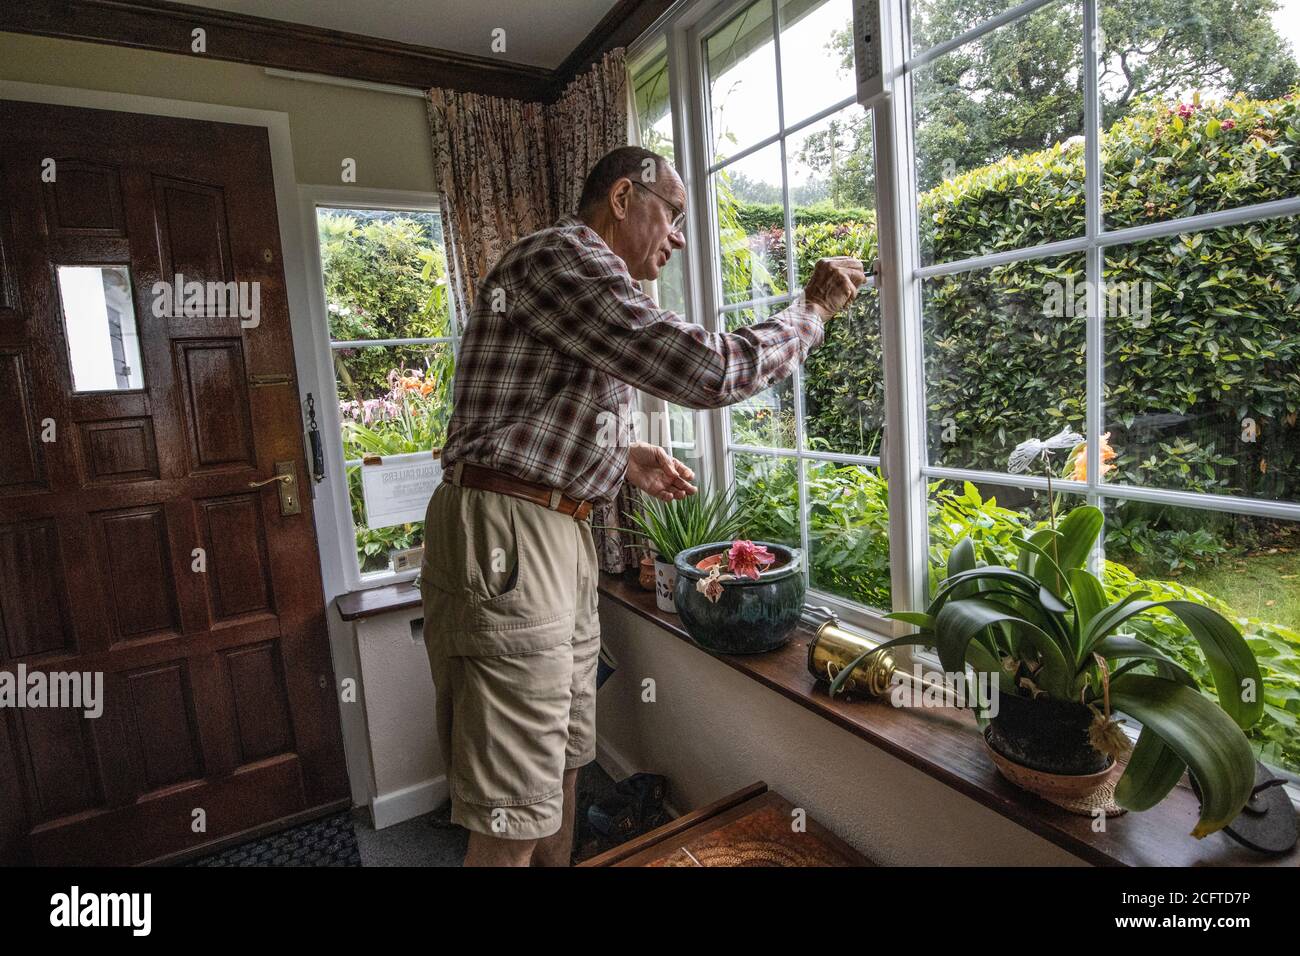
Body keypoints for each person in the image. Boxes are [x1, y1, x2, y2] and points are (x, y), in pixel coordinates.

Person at [420, 145, 865, 866]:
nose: (681, 237)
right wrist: (811, 312)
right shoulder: (565, 258)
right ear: (624, 198)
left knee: (562, 767)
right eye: (675, 214)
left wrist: (624, 459)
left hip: (554, 531)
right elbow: (711, 369)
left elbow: (531, 412)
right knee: (513, 812)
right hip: (511, 535)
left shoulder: (582, 280)